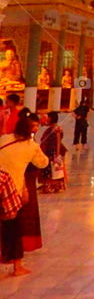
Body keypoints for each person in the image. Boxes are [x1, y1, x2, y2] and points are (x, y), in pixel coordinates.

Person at [0, 114, 48, 276]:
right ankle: (17, 266)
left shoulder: (4, 138)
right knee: (13, 230)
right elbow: (43, 162)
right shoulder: (31, 146)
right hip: (12, 192)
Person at [39, 111, 66, 193]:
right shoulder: (51, 128)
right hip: (48, 151)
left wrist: (57, 154)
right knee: (49, 170)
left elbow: (58, 142)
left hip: (52, 152)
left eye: (48, 118)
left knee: (52, 170)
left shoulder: (56, 129)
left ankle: (51, 187)